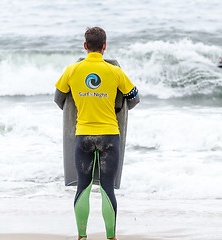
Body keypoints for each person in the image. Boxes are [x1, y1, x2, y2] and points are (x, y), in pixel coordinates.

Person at [54, 27, 140, 240]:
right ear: (104, 46)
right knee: (107, 189)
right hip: (110, 136)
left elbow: (59, 99)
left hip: (83, 135)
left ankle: (82, 236)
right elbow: (134, 98)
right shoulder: (115, 72)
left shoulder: (72, 70)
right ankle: (111, 237)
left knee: (82, 187)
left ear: (85, 46)